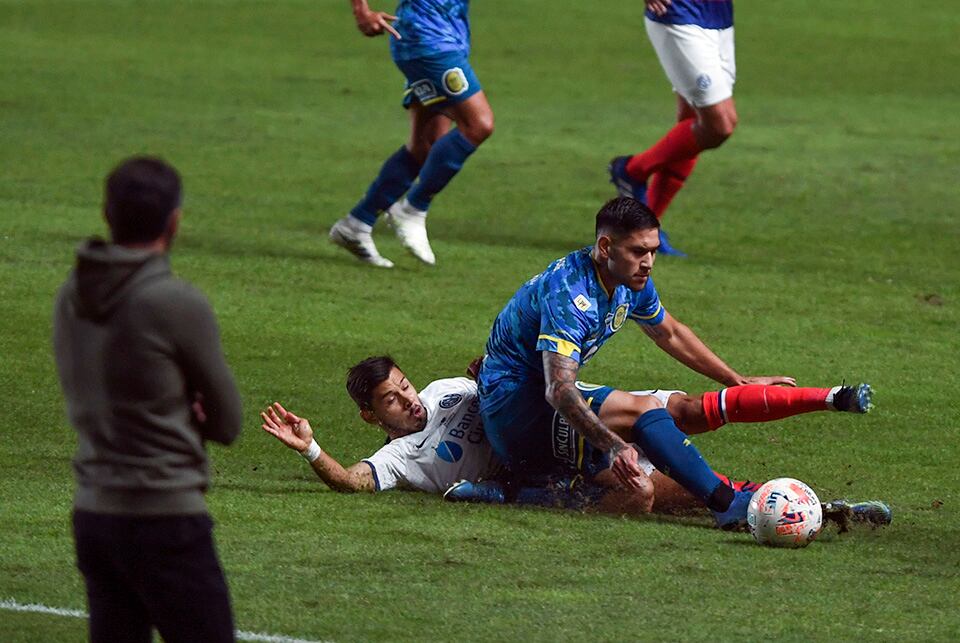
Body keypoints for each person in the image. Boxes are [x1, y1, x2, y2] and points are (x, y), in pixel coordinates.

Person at [477, 196, 870, 529]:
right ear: (605, 247)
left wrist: (736, 380)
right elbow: (558, 389)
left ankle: (773, 505)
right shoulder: (570, 293)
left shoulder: (628, 281)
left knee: (660, 457)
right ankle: (730, 505)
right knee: (642, 417)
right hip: (514, 408)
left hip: (541, 399)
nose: (649, 262)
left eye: (652, 250)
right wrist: (614, 444)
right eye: (638, 251)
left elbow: (670, 332)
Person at [262, 357, 889, 526]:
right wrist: (311, 449)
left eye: (404, 386)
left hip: (563, 432)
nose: (409, 400)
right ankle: (791, 508)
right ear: (371, 416)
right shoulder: (399, 458)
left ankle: (794, 496)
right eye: (392, 401)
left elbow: (499, 384)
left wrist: (494, 371)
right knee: (648, 494)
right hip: (539, 475)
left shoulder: (447, 389)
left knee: (676, 424)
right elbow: (352, 482)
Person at [53, 157, 243, 643]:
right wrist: (188, 409)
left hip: (94, 515)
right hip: (165, 517)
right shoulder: (175, 302)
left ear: (107, 213)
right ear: (174, 220)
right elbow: (227, 423)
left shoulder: (71, 295)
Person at [328, 0, 494, 268]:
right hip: (427, 39)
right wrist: (361, 11)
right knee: (478, 124)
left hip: (448, 35)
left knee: (427, 145)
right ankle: (413, 208)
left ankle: (356, 224)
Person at [608, 0, 738, 256]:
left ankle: (642, 229)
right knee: (719, 125)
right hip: (679, 13)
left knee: (692, 124)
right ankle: (632, 170)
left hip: (718, 15)